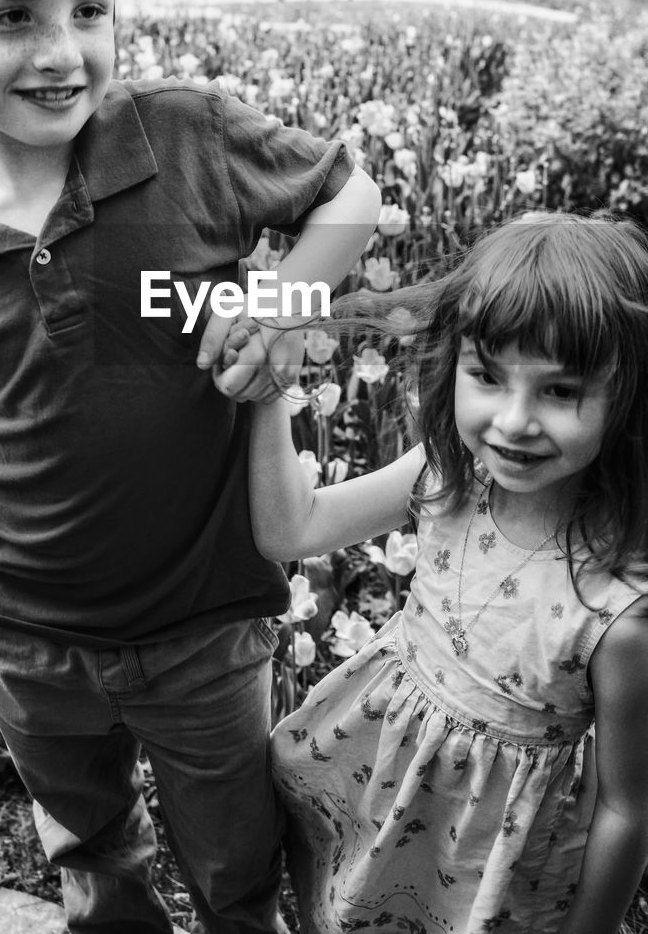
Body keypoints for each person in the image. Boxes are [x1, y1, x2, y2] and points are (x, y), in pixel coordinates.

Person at [0, 0, 381, 934]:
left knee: (236, 861)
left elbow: (352, 195)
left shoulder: (187, 136)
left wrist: (281, 302)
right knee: (92, 855)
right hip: (19, 630)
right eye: (11, 15)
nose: (61, 51)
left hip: (202, 625)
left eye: (89, 9)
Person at [248, 214, 648, 934]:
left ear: (627, 395)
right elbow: (292, 528)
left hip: (493, 849)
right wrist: (265, 387)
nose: (514, 421)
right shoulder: (446, 478)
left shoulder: (618, 610)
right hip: (378, 781)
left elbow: (628, 807)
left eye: (560, 391)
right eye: (486, 377)